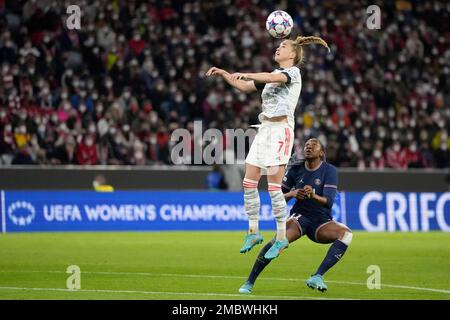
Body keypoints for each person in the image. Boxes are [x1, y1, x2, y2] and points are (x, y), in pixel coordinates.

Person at [206, 36, 330, 260]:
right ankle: (253, 231)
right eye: (279, 45)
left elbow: (269, 77)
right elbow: (244, 86)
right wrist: (225, 73)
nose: (278, 47)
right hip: (264, 130)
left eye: (283, 46)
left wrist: (248, 73)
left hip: (281, 131)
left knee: (274, 188)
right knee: (248, 181)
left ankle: (281, 237)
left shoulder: (292, 73)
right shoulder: (272, 77)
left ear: (292, 54)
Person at [238, 138, 353, 294]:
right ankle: (249, 282)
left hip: (321, 222)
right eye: (306, 145)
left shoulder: (329, 170)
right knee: (277, 241)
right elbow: (277, 197)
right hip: (300, 218)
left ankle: (317, 276)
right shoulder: (295, 169)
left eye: (313, 145)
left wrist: (312, 195)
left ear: (321, 152)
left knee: (346, 234)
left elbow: (329, 202)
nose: (308, 147)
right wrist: (292, 193)